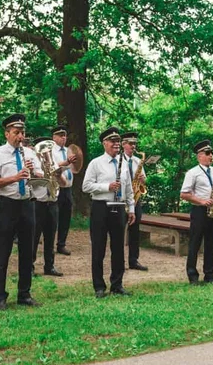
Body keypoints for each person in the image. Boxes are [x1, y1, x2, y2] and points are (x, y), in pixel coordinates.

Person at [0, 114, 41, 310]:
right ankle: (0, 296)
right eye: (16, 133)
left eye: (22, 132)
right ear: (7, 134)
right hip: (7, 205)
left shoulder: (30, 153)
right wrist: (15, 178)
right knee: (3, 252)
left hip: (27, 204)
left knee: (27, 251)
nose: (20, 136)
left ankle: (24, 294)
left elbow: (41, 177)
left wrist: (34, 173)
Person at [82, 128, 135, 297]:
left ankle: (117, 284)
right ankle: (99, 286)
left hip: (118, 207)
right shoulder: (96, 163)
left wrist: (131, 208)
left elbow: (128, 188)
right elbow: (86, 186)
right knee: (98, 248)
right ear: (104, 143)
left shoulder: (124, 162)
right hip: (101, 207)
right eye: (112, 141)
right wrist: (107, 187)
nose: (116, 144)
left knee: (118, 248)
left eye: (118, 141)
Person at [180, 140, 213, 285]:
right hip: (199, 211)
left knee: (212, 243)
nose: (211, 156)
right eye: (207, 153)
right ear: (199, 156)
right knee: (195, 243)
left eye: (211, 153)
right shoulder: (193, 173)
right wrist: (202, 201)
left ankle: (209, 275)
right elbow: (184, 194)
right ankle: (192, 276)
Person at [31, 134, 63, 279]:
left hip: (52, 202)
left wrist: (58, 174)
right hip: (38, 203)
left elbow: (62, 182)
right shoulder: (32, 160)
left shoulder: (52, 160)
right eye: (43, 149)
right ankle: (30, 266)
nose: (46, 152)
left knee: (50, 236)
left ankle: (49, 266)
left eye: (48, 149)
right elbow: (34, 177)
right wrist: (42, 172)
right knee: (34, 236)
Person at [51, 124, 80, 255]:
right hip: (56, 187)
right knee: (53, 218)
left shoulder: (69, 150)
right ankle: (50, 244)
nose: (63, 138)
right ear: (54, 137)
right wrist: (66, 162)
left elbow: (76, 167)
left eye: (65, 136)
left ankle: (61, 244)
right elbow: (52, 167)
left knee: (65, 217)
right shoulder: (51, 151)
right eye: (60, 135)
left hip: (68, 188)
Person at [121, 131, 148, 271]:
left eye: (135, 144)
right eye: (131, 143)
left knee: (135, 230)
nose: (133, 146)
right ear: (123, 144)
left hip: (135, 198)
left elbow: (144, 180)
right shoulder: (119, 160)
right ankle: (119, 260)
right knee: (119, 230)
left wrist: (143, 180)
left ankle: (133, 260)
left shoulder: (138, 161)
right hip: (122, 198)